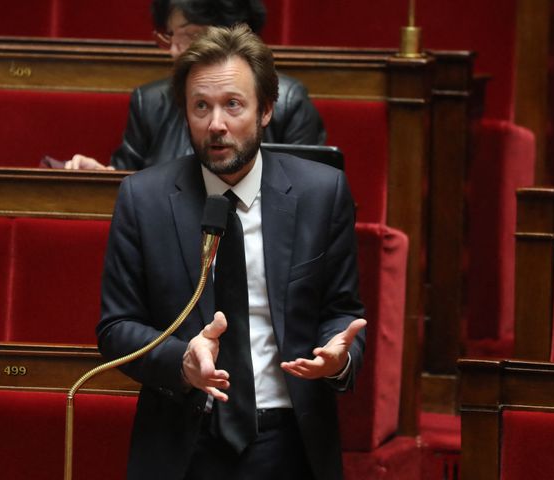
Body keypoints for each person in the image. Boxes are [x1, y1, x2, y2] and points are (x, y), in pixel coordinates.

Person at [97, 25, 366, 480]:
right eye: (201, 106)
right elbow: (116, 327)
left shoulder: (321, 193)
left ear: (265, 111)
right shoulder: (143, 200)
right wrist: (182, 361)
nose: (216, 124)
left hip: (288, 440)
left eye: (233, 105)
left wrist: (339, 358)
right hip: (183, 440)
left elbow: (341, 311)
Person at [65, 0, 325, 171]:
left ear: (230, 31)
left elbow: (307, 197)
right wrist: (104, 179)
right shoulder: (150, 102)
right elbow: (129, 181)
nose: (174, 51)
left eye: (189, 35)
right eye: (171, 35)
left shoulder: (289, 102)